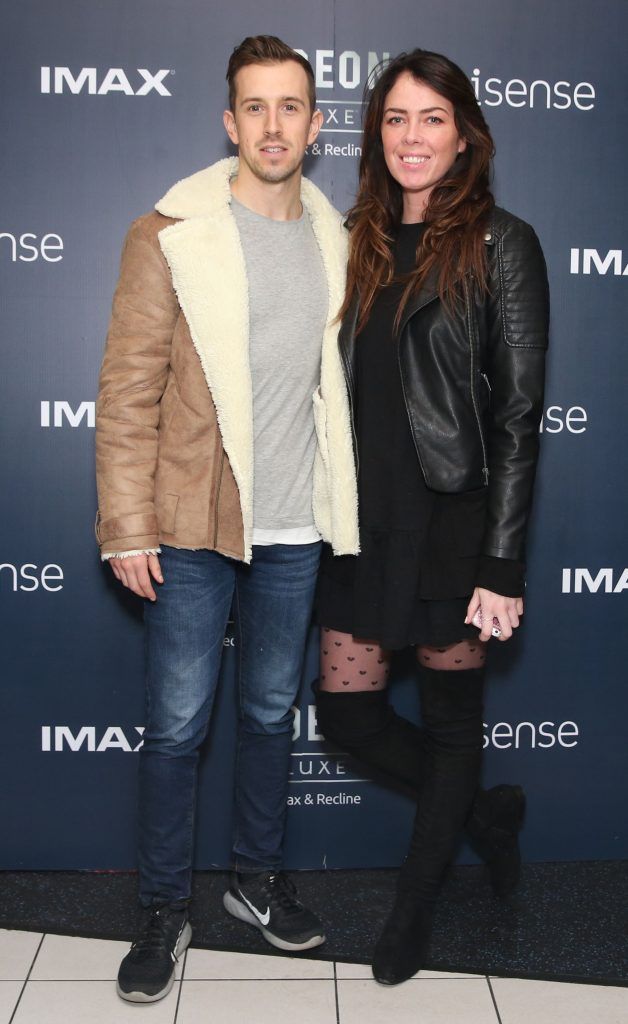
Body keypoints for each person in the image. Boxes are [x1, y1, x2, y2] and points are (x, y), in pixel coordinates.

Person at [95, 35, 358, 1003]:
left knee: (263, 716)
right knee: (174, 728)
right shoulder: (171, 231)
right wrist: (127, 525)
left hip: (297, 526)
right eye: (255, 106)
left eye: (291, 106)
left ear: (316, 123)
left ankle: (255, 880)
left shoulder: (337, 237)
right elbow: (128, 388)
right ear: (229, 121)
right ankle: (165, 908)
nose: (273, 125)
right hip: (192, 523)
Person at [314, 48, 549, 985]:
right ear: (377, 132)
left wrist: (504, 564)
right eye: (397, 119)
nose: (413, 138)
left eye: (433, 120)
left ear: (465, 136)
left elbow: (520, 416)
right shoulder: (351, 238)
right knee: (347, 718)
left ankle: (414, 911)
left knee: (453, 726)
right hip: (361, 519)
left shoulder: (504, 242)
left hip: (456, 521)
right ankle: (485, 817)